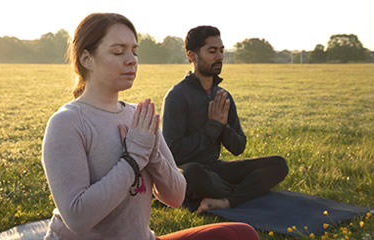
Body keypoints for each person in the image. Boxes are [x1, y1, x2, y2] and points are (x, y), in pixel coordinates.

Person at [41, 13, 260, 240]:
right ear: (87, 59)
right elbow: (78, 219)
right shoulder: (67, 122)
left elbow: (176, 197)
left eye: (134, 52)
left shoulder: (139, 116)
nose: (131, 60)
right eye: (118, 51)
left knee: (241, 234)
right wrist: (134, 158)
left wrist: (152, 153)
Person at [162, 25, 289, 214]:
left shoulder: (223, 96)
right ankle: (242, 192)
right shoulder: (177, 96)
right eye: (212, 51)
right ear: (192, 56)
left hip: (217, 171)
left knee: (278, 164)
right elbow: (172, 153)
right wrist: (212, 127)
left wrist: (223, 127)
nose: (220, 57)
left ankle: (226, 201)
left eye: (221, 51)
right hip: (189, 173)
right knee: (193, 172)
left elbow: (238, 148)